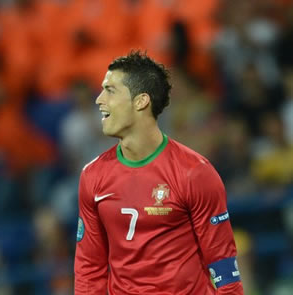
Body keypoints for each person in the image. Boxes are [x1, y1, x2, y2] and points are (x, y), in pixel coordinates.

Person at [74, 51, 244, 294]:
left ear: (141, 101)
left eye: (110, 91)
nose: (99, 99)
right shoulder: (93, 176)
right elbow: (89, 267)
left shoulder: (194, 173)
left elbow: (223, 264)